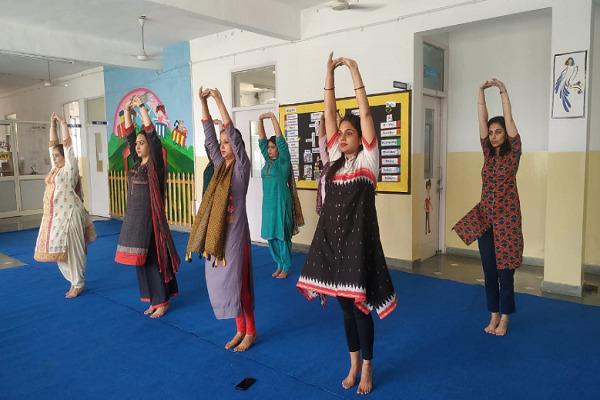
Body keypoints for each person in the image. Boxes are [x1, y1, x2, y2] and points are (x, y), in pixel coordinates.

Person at [296, 53, 397, 395]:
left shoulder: (369, 161)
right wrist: (327, 75)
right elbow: (328, 115)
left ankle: (367, 367)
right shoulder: (336, 162)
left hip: (358, 248)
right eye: (340, 133)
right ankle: (353, 362)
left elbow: (366, 113)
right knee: (343, 308)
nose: (342, 136)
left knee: (359, 308)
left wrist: (354, 73)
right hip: (332, 247)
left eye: (349, 133)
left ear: (360, 138)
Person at [186, 87, 256, 352]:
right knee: (225, 283)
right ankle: (239, 329)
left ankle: (250, 331)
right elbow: (208, 136)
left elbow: (235, 138)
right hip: (220, 236)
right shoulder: (218, 168)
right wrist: (202, 102)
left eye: (227, 143)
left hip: (237, 236)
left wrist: (218, 100)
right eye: (222, 143)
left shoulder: (241, 168)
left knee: (240, 284)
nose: (223, 146)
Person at [453, 78, 523, 336]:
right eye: (491, 133)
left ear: (506, 135)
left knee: (506, 273)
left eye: (498, 132)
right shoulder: (487, 153)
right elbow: (481, 122)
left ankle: (505, 318)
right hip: (485, 220)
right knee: (489, 272)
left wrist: (503, 91)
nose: (493, 136)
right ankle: (493, 314)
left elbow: (509, 118)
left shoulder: (513, 153)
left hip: (507, 221)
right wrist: (480, 93)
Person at [114, 95, 180, 319]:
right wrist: (125, 112)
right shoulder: (136, 162)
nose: (139, 147)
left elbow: (151, 134)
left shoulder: (155, 165)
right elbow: (130, 136)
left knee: (153, 260)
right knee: (139, 261)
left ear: (150, 147)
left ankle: (162, 300)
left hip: (152, 222)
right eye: (138, 145)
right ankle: (152, 299)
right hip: (135, 222)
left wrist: (142, 107)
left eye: (143, 144)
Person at [34, 112, 96, 298]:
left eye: (57, 155)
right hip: (56, 218)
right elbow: (52, 145)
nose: (54, 157)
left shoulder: (70, 168)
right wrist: (51, 125)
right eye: (53, 155)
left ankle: (78, 283)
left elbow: (67, 146)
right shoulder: (55, 170)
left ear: (65, 157)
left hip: (71, 214)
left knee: (74, 251)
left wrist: (63, 124)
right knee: (58, 251)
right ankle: (74, 280)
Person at [257, 112, 294, 279]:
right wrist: (259, 121)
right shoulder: (268, 162)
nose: (270, 150)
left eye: (273, 147)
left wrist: (273, 118)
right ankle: (278, 263)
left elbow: (281, 142)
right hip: (268, 206)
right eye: (270, 148)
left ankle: (285, 266)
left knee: (282, 237)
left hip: (281, 204)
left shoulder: (283, 162)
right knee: (271, 237)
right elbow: (261, 142)